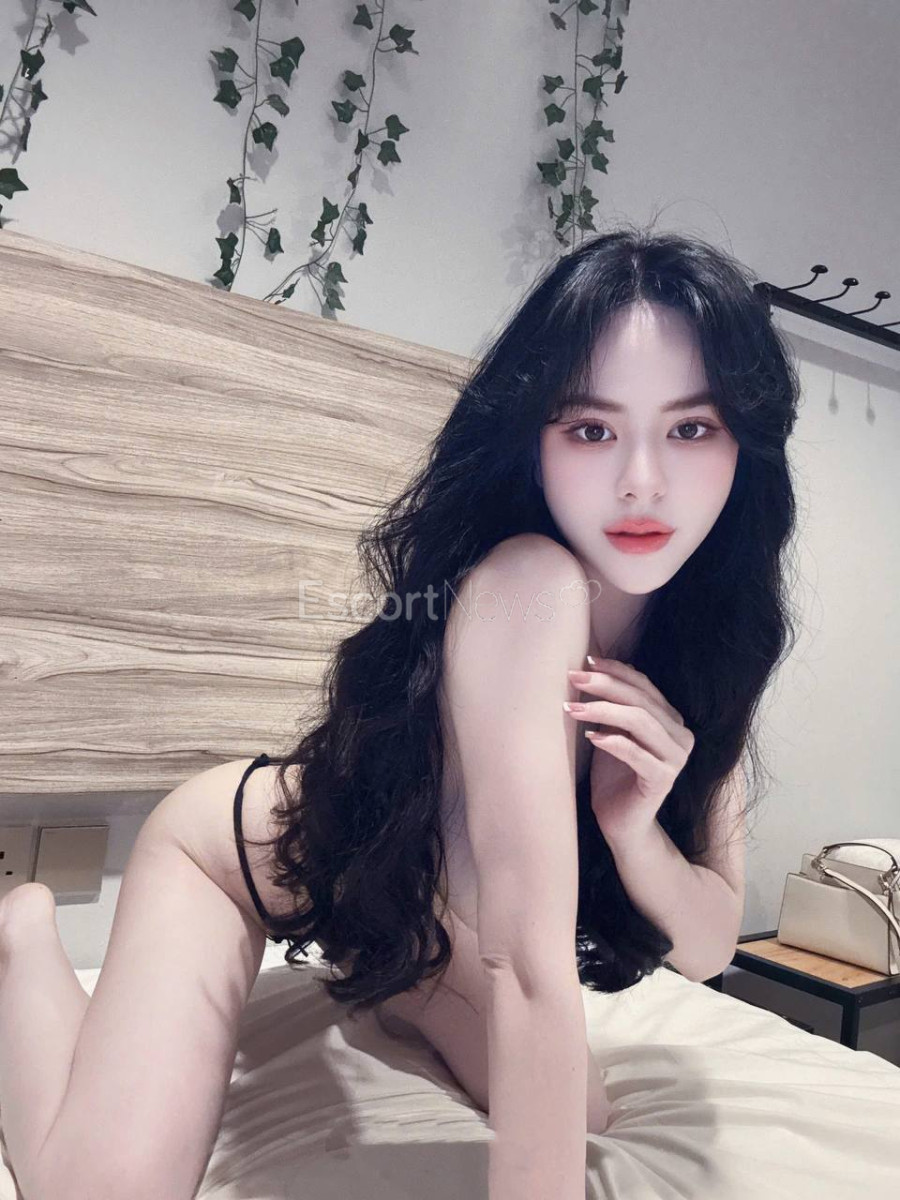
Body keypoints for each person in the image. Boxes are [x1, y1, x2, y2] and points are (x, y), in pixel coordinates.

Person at [0, 223, 801, 1200]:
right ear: (535, 444)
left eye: (690, 429)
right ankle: (23, 935)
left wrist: (635, 832)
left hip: (432, 931)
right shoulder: (529, 587)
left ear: (744, 443)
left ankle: (401, 989)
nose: (643, 480)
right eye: (592, 430)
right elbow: (523, 965)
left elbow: (709, 945)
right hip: (251, 864)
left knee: (585, 1115)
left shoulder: (718, 639)